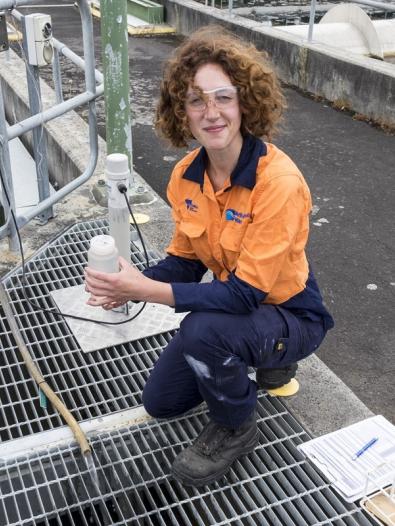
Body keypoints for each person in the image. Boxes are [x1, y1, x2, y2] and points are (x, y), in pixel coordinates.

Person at [84, 26, 334, 487]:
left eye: (224, 97)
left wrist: (147, 291)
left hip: (291, 312)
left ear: (246, 103)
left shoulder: (277, 181)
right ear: (182, 111)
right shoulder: (185, 176)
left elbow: (243, 295)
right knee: (162, 402)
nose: (212, 112)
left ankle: (237, 424)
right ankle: (255, 359)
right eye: (196, 100)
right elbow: (184, 261)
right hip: (238, 311)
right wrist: (128, 281)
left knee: (203, 332)